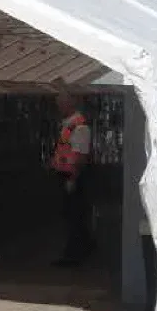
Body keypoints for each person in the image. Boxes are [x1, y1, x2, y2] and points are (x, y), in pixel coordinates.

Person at [47, 93, 94, 266]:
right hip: (66, 174)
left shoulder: (79, 127)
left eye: (61, 101)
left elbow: (81, 156)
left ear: (71, 102)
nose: (58, 105)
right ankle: (81, 248)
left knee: (74, 215)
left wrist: (73, 178)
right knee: (71, 215)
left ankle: (74, 254)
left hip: (72, 177)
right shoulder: (68, 125)